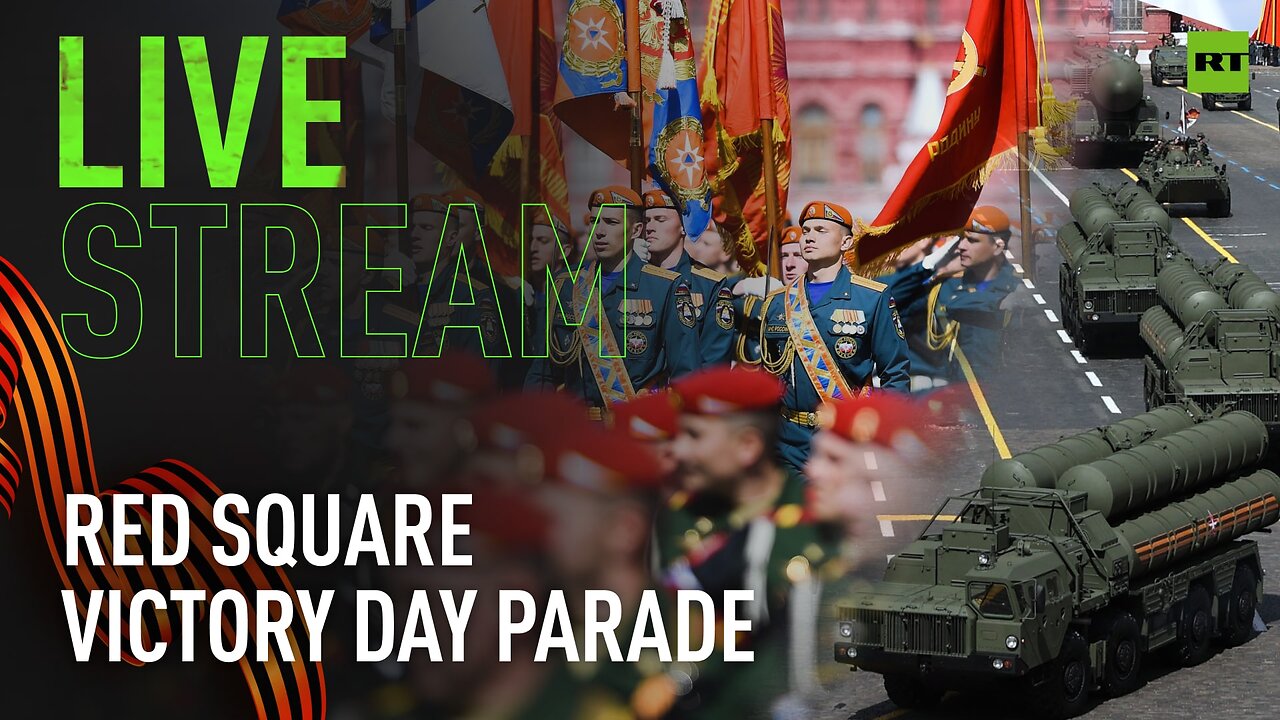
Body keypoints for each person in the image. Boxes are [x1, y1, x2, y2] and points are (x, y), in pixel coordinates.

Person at [655, 365, 840, 720]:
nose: (677, 451)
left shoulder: (811, 532)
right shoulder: (667, 519)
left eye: (693, 436)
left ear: (747, 446)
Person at [737, 200, 911, 471]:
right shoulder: (777, 301)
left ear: (846, 243)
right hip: (786, 440)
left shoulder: (872, 298)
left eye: (821, 230)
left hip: (843, 439)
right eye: (806, 231)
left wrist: (886, 433)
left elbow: (895, 372)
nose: (809, 237)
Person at [526, 186, 700, 420]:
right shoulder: (564, 285)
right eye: (595, 222)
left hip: (635, 430)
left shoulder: (665, 287)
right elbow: (543, 373)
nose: (599, 231)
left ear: (636, 230)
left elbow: (685, 375)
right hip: (575, 428)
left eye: (610, 222)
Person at [882, 206, 1020, 386]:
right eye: (961, 239)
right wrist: (931, 267)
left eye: (972, 240)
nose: (961, 246)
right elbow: (884, 299)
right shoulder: (945, 286)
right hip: (955, 393)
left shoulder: (1017, 289)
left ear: (997, 246)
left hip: (1002, 396)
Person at [643, 189, 736, 365]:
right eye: (646, 221)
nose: (650, 227)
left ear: (684, 227)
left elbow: (714, 359)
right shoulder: (632, 279)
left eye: (660, 220)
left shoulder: (710, 285)